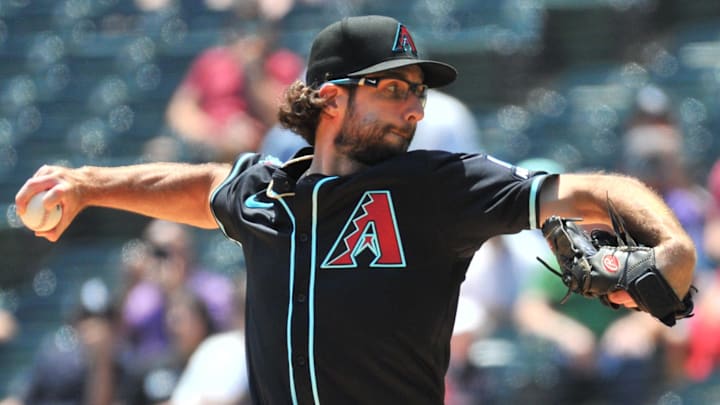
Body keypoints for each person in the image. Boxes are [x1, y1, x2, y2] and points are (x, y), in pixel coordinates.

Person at [15, 15, 696, 405]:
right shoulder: (265, 189)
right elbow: (197, 185)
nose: (414, 105)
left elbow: (583, 190)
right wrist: (87, 182)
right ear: (330, 98)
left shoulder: (438, 185)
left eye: (418, 92)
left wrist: (670, 245)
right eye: (394, 88)